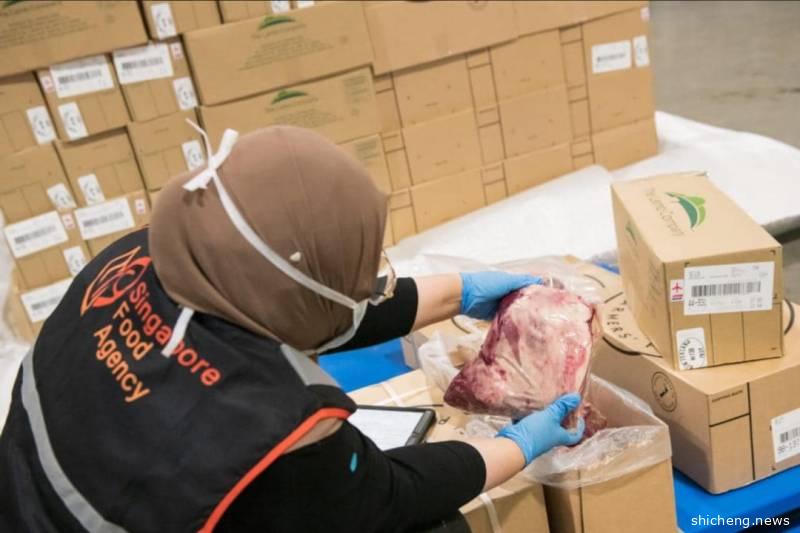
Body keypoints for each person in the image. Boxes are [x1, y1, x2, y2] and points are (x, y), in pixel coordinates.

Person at [0, 125, 583, 533]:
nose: (369, 286)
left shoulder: (146, 255)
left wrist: (462, 290)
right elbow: (389, 498)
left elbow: (303, 305)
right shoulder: (277, 423)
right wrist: (518, 445)